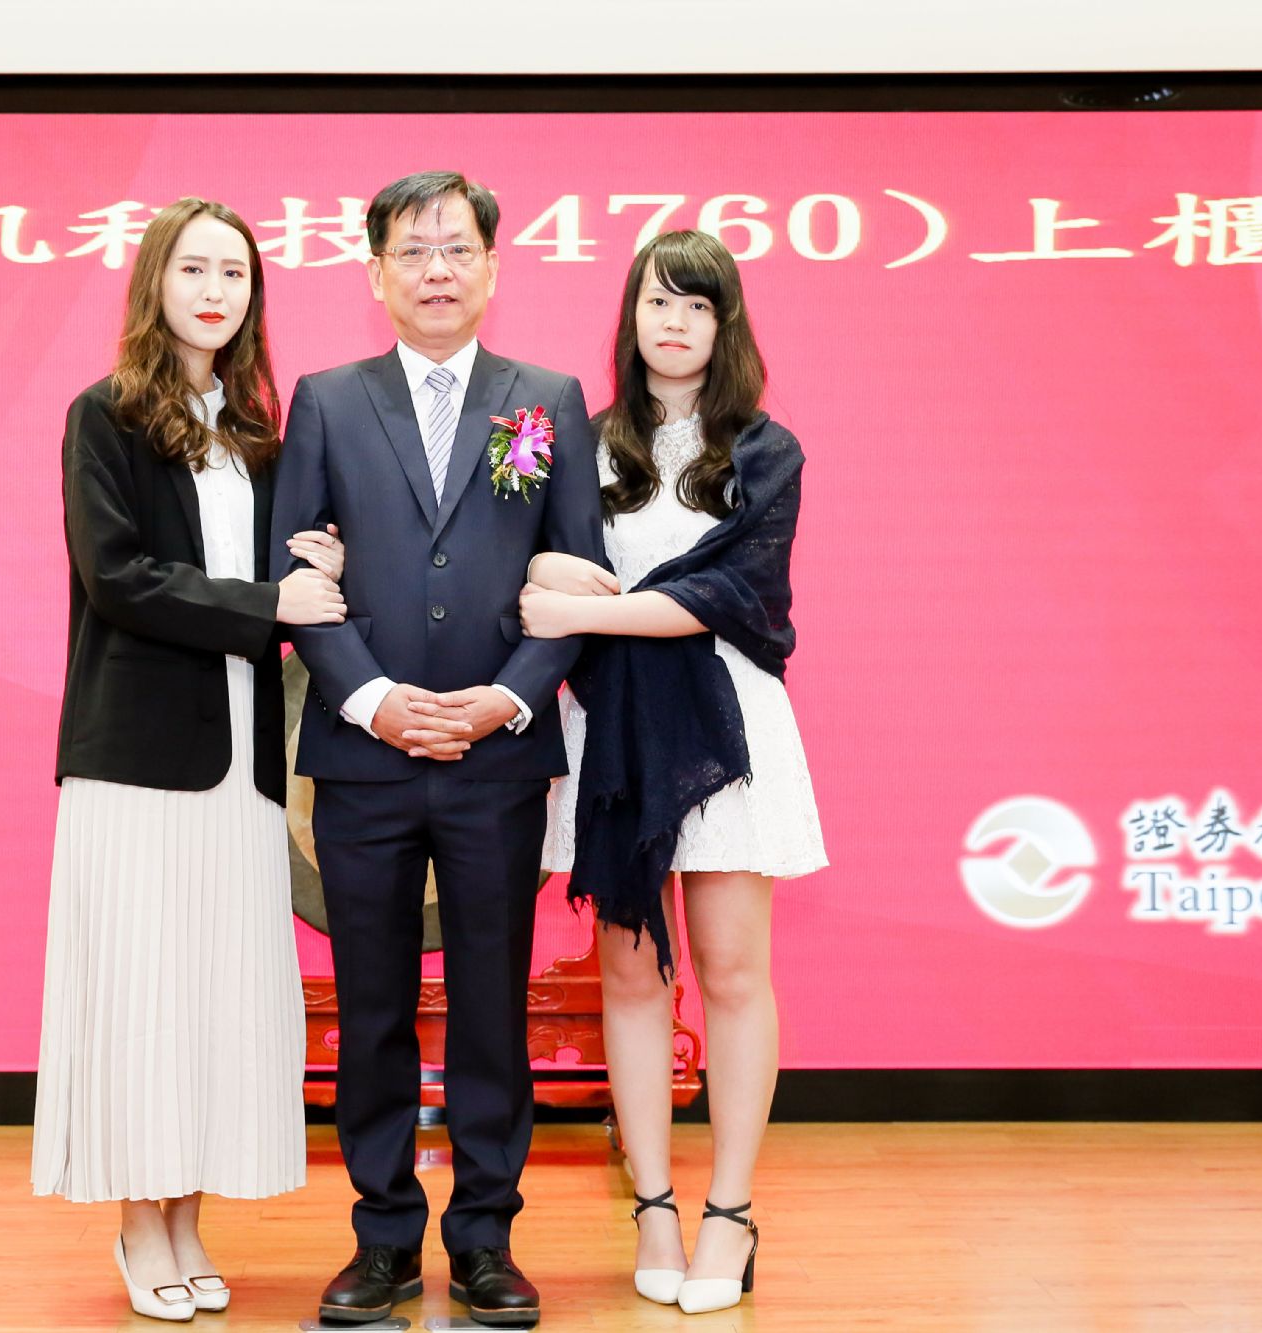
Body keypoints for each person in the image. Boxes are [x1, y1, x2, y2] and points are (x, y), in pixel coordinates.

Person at [269, 171, 607, 1328]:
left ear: (491, 268)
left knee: (489, 1007)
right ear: (374, 274)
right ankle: (380, 1241)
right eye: (411, 252)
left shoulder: (543, 400)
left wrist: (501, 701)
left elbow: (576, 581)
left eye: (456, 249)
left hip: (494, 762)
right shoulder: (324, 400)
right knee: (369, 1006)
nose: (435, 270)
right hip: (361, 760)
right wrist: (371, 699)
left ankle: (483, 1240)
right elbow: (294, 574)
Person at [32, 197, 348, 1323]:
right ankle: (139, 1223)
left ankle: (188, 1218)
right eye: (195, 269)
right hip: (136, 762)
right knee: (141, 996)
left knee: (211, 997)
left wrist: (318, 562)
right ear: (154, 281)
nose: (216, 291)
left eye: (235, 273)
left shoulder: (258, 434)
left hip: (243, 766)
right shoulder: (104, 415)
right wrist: (269, 602)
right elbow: (117, 577)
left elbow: (291, 578)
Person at [523, 229, 827, 1316]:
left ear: (725, 324)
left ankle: (729, 1212)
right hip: (609, 729)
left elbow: (733, 596)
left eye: (698, 305)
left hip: (727, 725)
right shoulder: (574, 441)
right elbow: (525, 558)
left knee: (733, 975)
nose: (676, 322)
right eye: (659, 301)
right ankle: (652, 1204)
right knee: (630, 975)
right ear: (631, 315)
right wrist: (550, 586)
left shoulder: (766, 450)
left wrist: (585, 609)